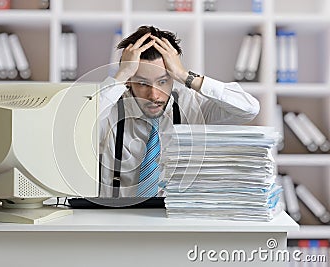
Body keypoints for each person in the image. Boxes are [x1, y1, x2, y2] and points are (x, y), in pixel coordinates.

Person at [98, 25, 260, 197]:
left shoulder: (192, 104)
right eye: (143, 83)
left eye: (162, 81)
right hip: (120, 218)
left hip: (180, 217)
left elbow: (248, 109)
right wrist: (121, 75)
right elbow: (74, 127)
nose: (154, 95)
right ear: (129, 81)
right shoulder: (109, 108)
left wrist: (184, 75)